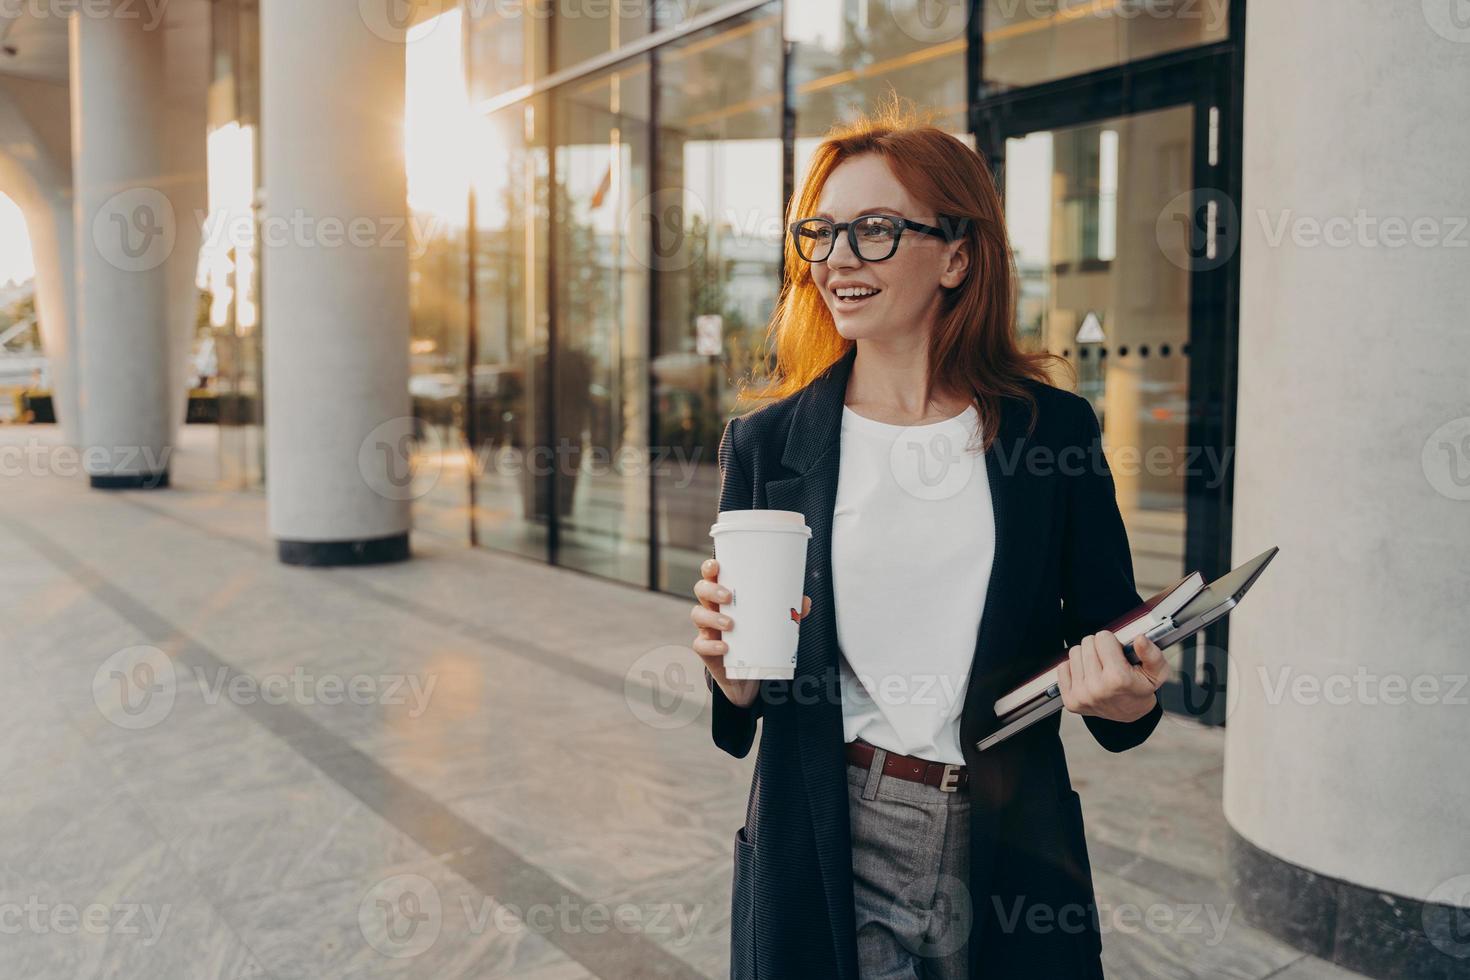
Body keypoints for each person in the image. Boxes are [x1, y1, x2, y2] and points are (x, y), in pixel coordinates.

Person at [688, 102, 1171, 979]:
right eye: (821, 233)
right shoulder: (766, 444)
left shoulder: (1048, 433)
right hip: (831, 824)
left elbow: (1113, 634)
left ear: (957, 254)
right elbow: (745, 693)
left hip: (1007, 833)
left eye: (873, 230)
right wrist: (731, 677)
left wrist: (1128, 697)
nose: (838, 258)